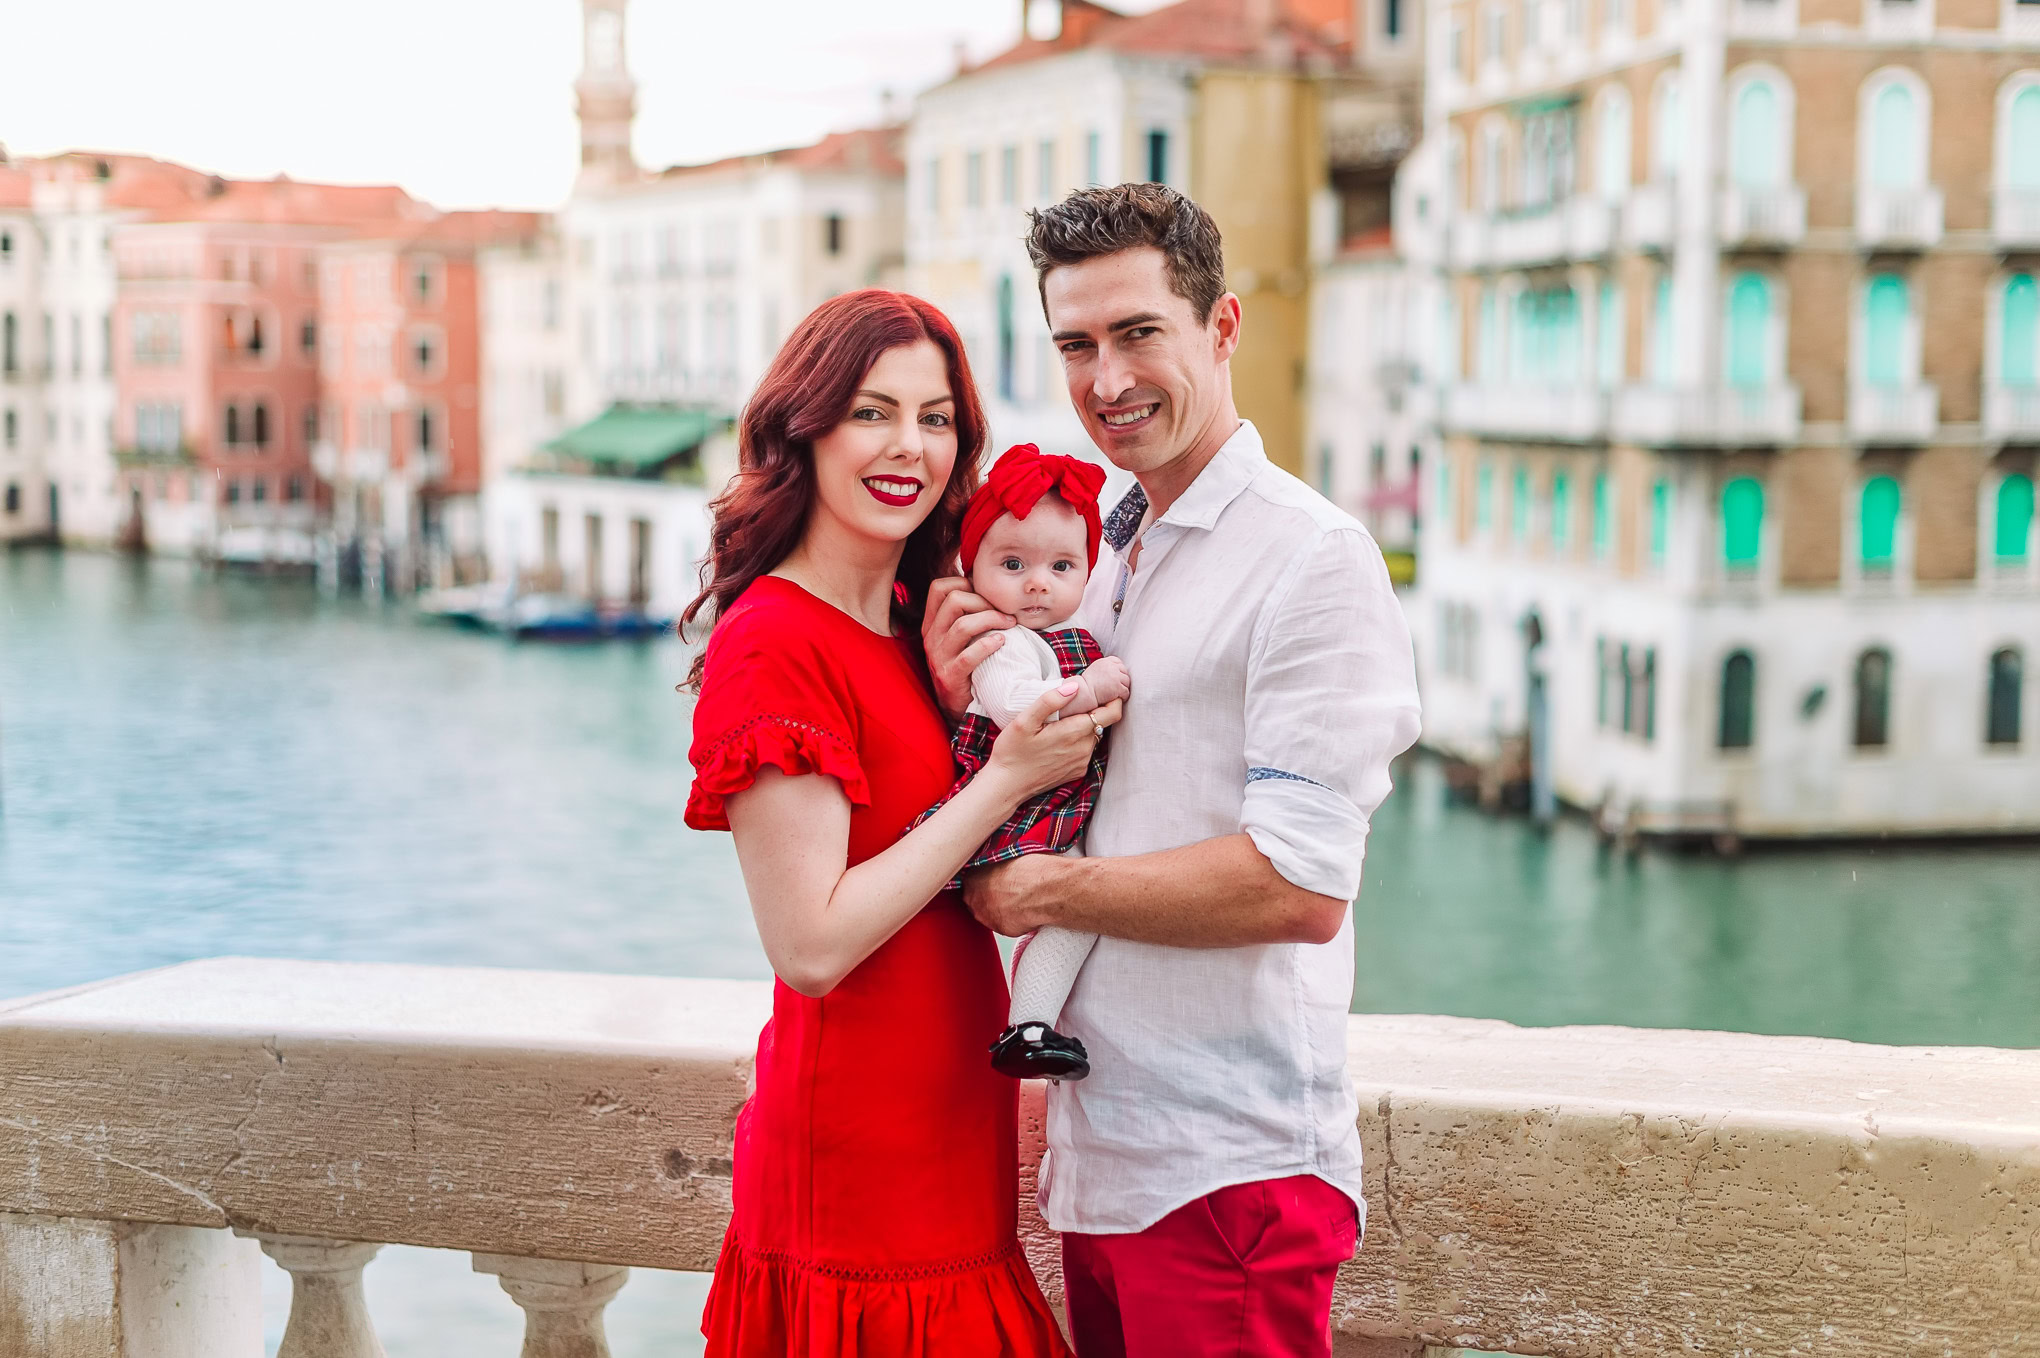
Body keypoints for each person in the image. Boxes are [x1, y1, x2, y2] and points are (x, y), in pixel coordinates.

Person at [923, 184, 1423, 1356]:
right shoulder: (1101, 549)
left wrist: (1033, 889)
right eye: (1076, 344)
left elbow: (1299, 885)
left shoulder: (1313, 560)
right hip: (1106, 1160)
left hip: (1226, 1174)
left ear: (1223, 327)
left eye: (1140, 332)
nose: (1107, 379)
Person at [682, 289, 1115, 1358]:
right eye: (872, 411)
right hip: (862, 1160)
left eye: (935, 418)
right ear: (806, 426)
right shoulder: (776, 639)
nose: (906, 447)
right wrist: (1002, 780)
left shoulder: (912, 623)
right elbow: (812, 943)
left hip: (950, 1134)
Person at [911, 442, 1130, 1081]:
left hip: (1048, 794)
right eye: (1013, 563)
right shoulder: (1005, 641)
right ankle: (1025, 1027)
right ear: (971, 565)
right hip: (1021, 803)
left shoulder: (1063, 635)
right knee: (1069, 916)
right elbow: (1011, 704)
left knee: (1069, 920)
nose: (1039, 582)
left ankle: (1030, 1027)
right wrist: (1084, 691)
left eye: (1063, 565)